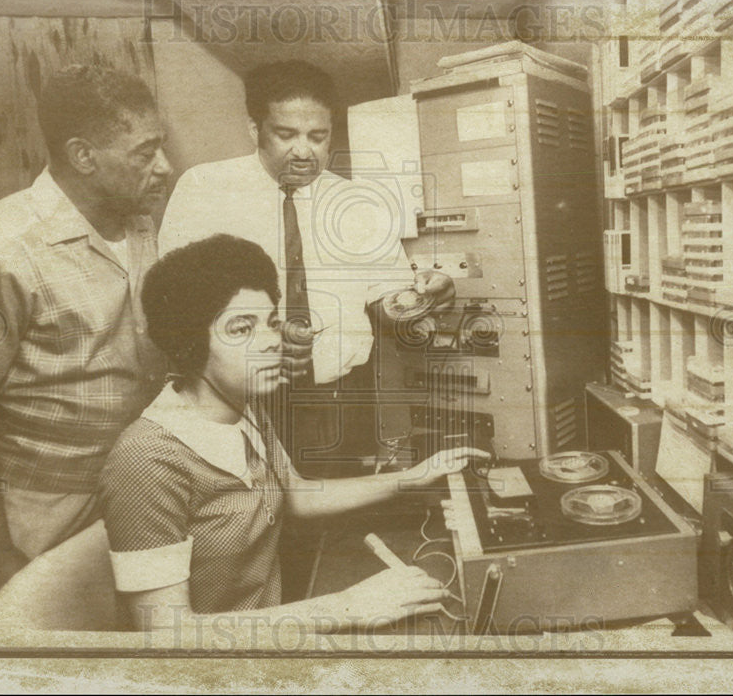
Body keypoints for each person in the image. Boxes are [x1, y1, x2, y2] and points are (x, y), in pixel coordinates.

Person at [98, 235, 486, 629]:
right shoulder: (146, 461)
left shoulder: (244, 406)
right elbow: (165, 632)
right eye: (240, 329)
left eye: (269, 323)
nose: (270, 343)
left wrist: (414, 477)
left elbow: (296, 494)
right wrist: (348, 607)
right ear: (188, 345)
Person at [158, 60, 456, 472]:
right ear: (253, 129)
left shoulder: (359, 203)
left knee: (335, 519)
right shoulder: (203, 190)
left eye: (318, 136)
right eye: (286, 134)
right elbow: (172, 310)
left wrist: (423, 298)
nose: (304, 150)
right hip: (237, 404)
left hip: (338, 405)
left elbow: (387, 307)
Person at [0, 65, 173, 597]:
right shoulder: (0, 247)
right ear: (83, 156)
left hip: (134, 488)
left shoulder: (137, 220)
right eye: (145, 152)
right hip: (43, 514)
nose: (165, 167)